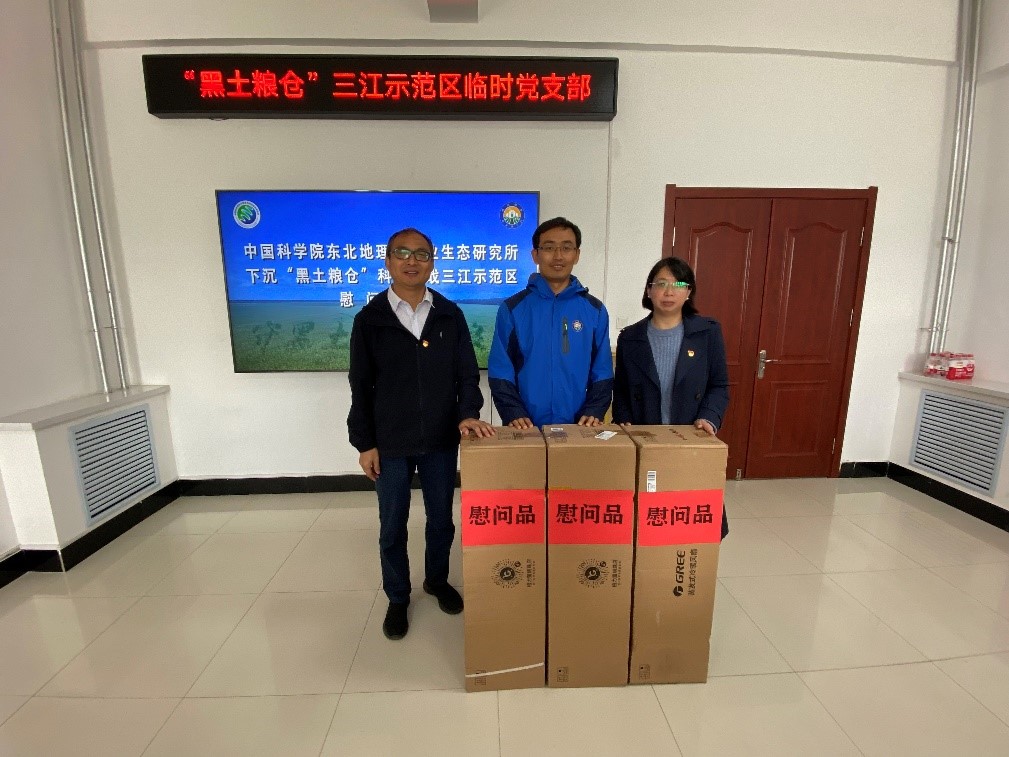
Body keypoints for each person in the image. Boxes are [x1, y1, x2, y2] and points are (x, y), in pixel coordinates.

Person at [347, 227, 495, 640]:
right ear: (388, 261)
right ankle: (398, 596)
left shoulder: (449, 314)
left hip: (441, 438)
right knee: (392, 524)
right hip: (389, 442)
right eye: (402, 253)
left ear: (432, 262)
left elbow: (467, 374)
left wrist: (467, 414)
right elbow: (360, 385)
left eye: (421, 254)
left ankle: (436, 580)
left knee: (441, 520)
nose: (412, 261)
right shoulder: (370, 320)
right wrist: (365, 443)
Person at [612, 256, 731, 539]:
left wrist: (709, 417)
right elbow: (622, 390)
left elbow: (719, 385)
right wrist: (624, 421)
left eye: (678, 284)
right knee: (648, 521)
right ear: (649, 290)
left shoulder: (707, 332)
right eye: (661, 284)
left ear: (688, 292)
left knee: (692, 516)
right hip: (646, 440)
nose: (668, 292)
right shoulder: (630, 338)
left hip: (689, 438)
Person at [488, 217, 613, 428]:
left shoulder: (595, 310)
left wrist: (593, 410)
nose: (558, 256)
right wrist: (513, 412)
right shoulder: (512, 309)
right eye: (549, 247)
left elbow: (603, 370)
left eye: (566, 248)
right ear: (535, 254)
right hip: (526, 426)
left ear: (577, 254)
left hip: (579, 426)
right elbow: (501, 368)